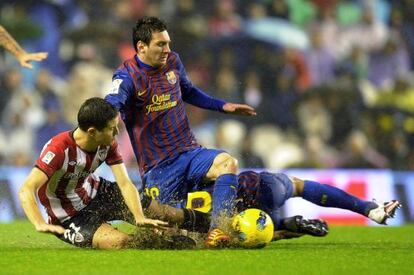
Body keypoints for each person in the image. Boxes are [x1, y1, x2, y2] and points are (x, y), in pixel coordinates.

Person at [105, 16, 256, 247]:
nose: (167, 49)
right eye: (161, 44)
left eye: (168, 43)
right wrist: (111, 118)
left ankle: (218, 231)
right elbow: (112, 102)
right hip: (158, 168)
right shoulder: (127, 75)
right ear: (141, 47)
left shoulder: (173, 61)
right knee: (165, 236)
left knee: (228, 163)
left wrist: (222, 106)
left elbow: (189, 91)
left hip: (189, 153)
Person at [18, 97, 167, 249]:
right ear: (92, 132)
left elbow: (124, 183)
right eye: (112, 128)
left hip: (98, 193)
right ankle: (167, 243)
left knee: (163, 213)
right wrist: (39, 222)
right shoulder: (58, 149)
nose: (116, 132)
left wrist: (139, 216)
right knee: (120, 242)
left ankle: (191, 227)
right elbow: (26, 189)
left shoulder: (107, 144)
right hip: (68, 217)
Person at [181, 170, 401, 243]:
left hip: (252, 221)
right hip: (260, 189)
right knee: (298, 186)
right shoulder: (189, 180)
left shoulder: (183, 211)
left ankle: (286, 225)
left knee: (244, 232)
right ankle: (369, 208)